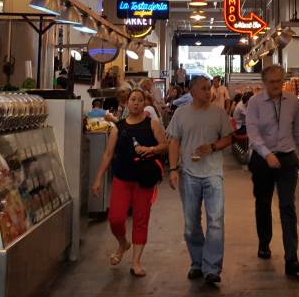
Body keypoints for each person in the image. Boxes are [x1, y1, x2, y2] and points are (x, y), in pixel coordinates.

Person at [91, 89, 168, 277]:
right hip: (122, 179)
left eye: (140, 100)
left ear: (144, 103)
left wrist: (151, 149)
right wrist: (98, 178)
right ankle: (123, 243)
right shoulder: (119, 127)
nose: (136, 103)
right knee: (115, 219)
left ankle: (136, 262)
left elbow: (165, 145)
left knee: (141, 220)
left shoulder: (153, 124)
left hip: (144, 180)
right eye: (133, 100)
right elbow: (108, 154)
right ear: (127, 103)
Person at [166, 77, 234, 286]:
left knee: (215, 220)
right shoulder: (181, 113)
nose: (209, 92)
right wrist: (173, 169)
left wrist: (212, 147)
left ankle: (212, 268)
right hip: (188, 174)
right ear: (193, 91)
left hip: (213, 173)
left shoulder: (219, 113)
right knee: (191, 224)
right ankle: (197, 262)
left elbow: (228, 138)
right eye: (204, 89)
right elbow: (174, 141)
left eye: (209, 88)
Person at [245, 64, 299, 275]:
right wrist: (267, 154)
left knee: (287, 205)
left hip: (287, 158)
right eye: (272, 82)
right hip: (262, 160)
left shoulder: (291, 101)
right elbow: (253, 133)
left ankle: (291, 258)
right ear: (264, 83)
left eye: (279, 81)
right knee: (263, 203)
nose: (276, 86)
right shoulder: (254, 102)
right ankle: (264, 243)